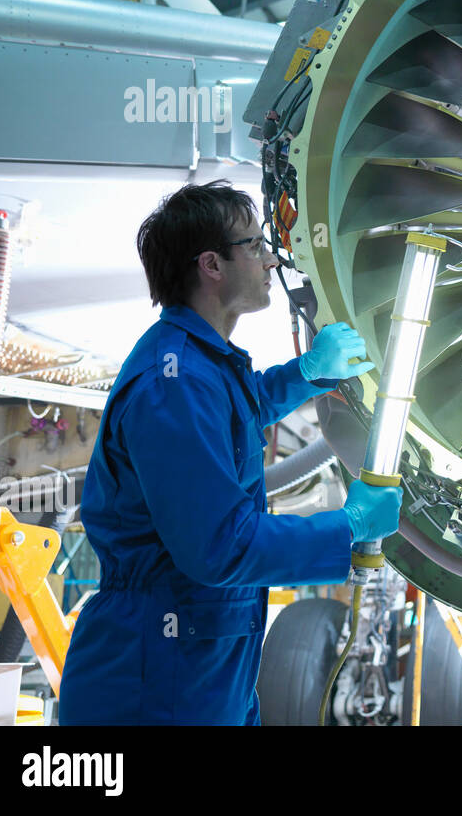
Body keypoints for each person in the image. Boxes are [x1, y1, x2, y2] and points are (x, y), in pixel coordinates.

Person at [58, 181, 402, 725]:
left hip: (208, 664)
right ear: (212, 265)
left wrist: (307, 373)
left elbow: (237, 413)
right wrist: (347, 527)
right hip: (156, 679)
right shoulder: (173, 383)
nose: (270, 260)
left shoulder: (200, 364)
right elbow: (221, 549)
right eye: (256, 245)